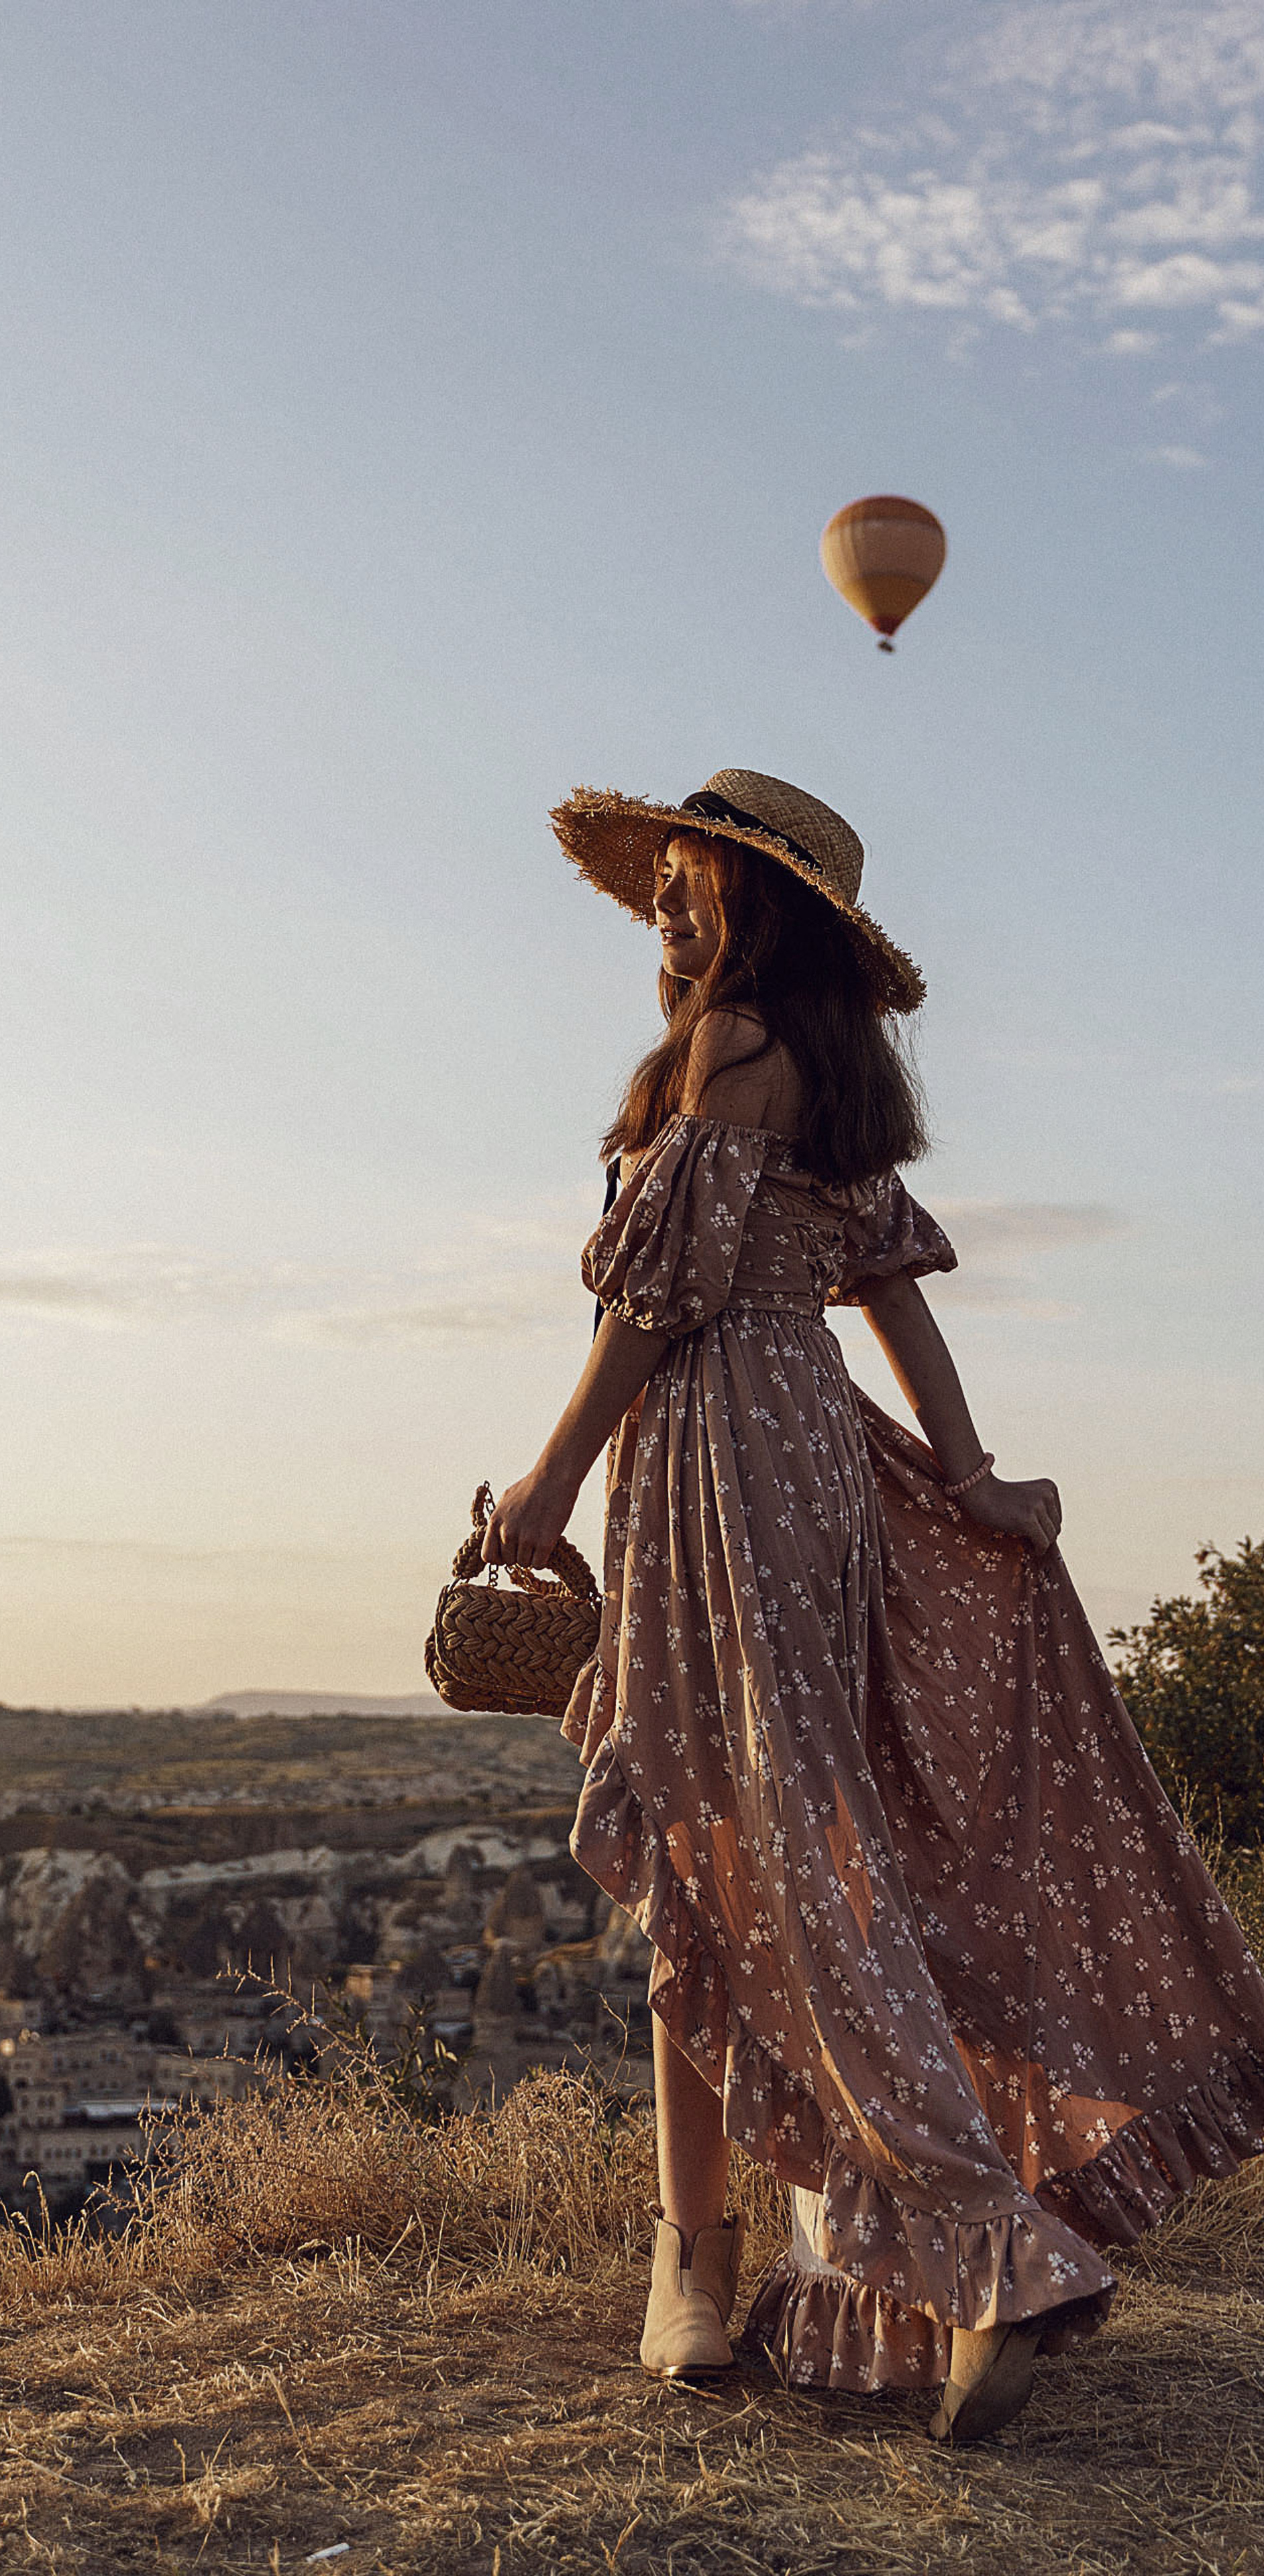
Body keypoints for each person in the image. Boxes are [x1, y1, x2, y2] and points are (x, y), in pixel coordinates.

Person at [484, 768, 1264, 2444]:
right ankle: (751, 2269)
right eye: (666, 883)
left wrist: (545, 1485)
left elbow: (648, 1308)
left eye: (690, 882)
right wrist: (972, 1476)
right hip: (808, 1451)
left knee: (724, 1847)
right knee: (753, 1850)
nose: (667, 907)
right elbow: (896, 1305)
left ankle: (893, 2256)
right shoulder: (815, 1071)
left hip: (711, 1451)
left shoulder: (729, 1051)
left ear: (758, 905)